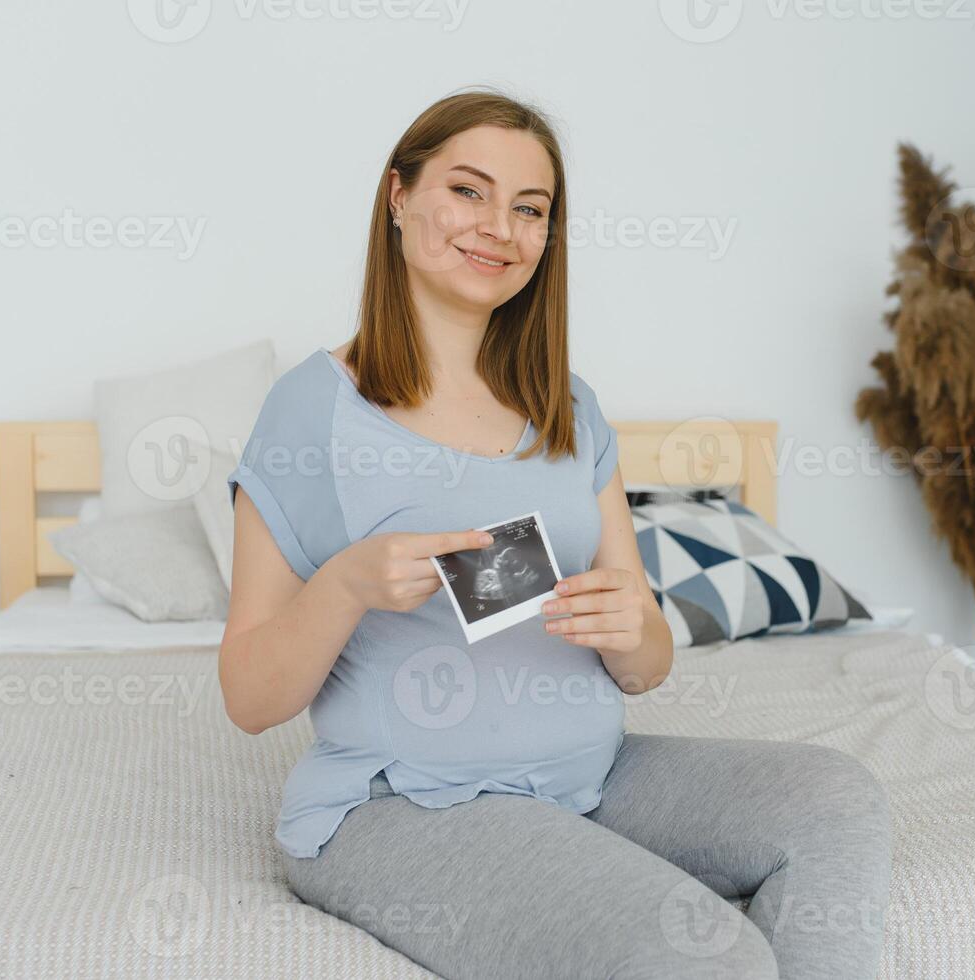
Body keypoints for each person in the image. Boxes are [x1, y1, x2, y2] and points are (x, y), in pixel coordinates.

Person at [219, 88, 892, 980]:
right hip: (403, 805)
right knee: (703, 951)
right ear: (397, 196)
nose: (498, 225)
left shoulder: (569, 408)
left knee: (835, 798)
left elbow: (647, 666)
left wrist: (635, 629)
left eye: (529, 209)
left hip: (591, 778)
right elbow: (248, 698)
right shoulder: (315, 410)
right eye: (468, 190)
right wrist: (343, 585)